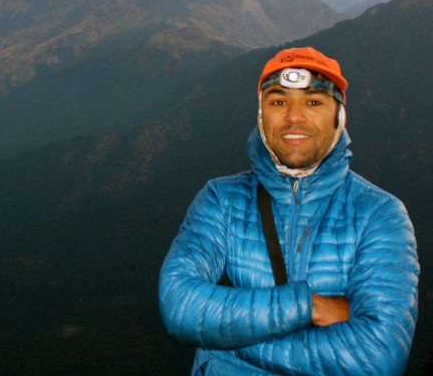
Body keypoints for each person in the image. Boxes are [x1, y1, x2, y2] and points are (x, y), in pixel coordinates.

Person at [159, 46, 419, 375]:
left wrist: (222, 340)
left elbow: (377, 358)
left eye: (313, 102)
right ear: (261, 115)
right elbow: (178, 305)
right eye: (278, 101)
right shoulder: (221, 200)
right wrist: (308, 307)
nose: (294, 116)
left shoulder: (379, 215)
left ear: (338, 115)